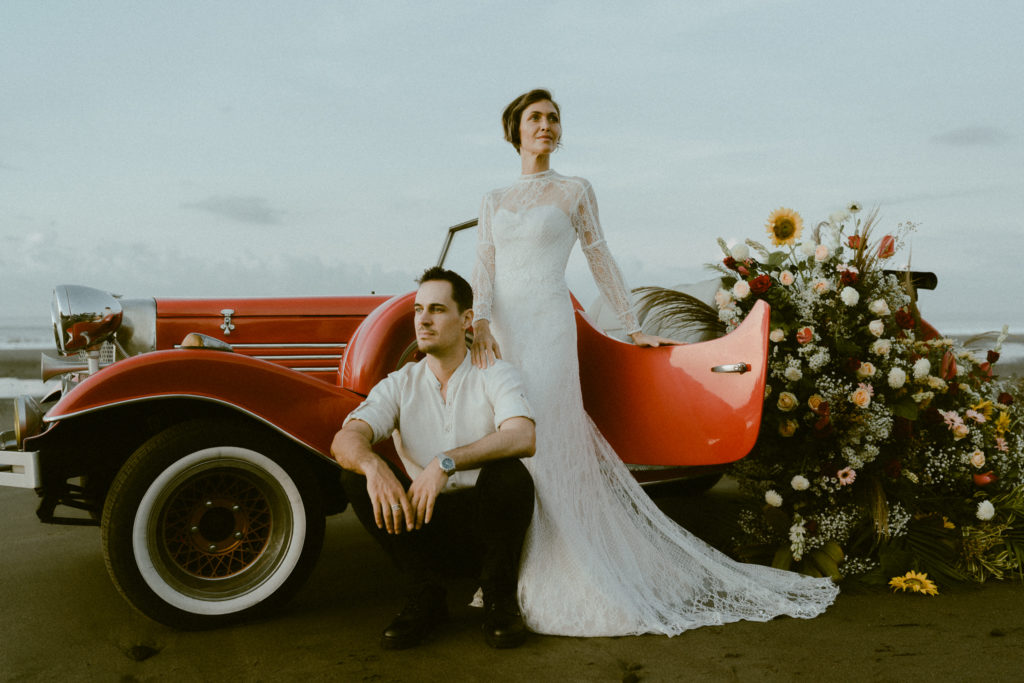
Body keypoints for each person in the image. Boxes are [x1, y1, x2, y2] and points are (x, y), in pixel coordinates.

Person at [469, 89, 839, 637]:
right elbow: (483, 263)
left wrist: (632, 322)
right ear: (515, 130)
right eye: (535, 118)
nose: (545, 126)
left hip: (548, 329)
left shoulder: (575, 191)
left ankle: (561, 566)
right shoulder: (493, 197)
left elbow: (599, 256)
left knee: (546, 437)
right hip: (502, 331)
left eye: (553, 119)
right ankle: (501, 571)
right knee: (503, 435)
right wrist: (478, 320)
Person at [332, 267, 537, 650]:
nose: (423, 320)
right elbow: (346, 438)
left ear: (466, 320)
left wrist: (445, 461)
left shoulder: (496, 374)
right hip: (421, 522)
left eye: (437, 310)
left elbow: (522, 436)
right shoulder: (399, 383)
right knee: (354, 477)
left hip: (487, 526)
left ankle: (498, 597)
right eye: (418, 309)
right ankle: (425, 595)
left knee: (510, 475)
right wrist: (373, 466)